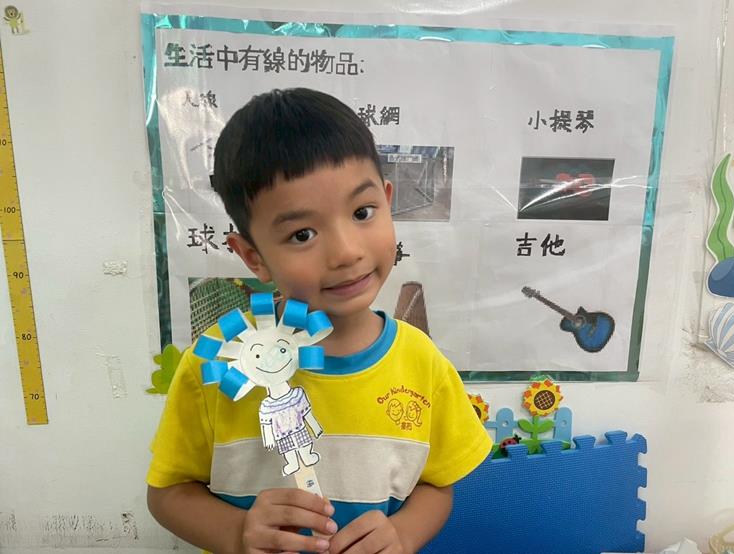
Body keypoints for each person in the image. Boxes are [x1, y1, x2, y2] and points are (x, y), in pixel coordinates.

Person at [146, 87, 492, 554]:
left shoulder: (422, 363)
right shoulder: (216, 363)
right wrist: (238, 532)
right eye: (302, 234)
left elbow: (437, 485)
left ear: (388, 201)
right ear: (253, 256)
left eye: (362, 212)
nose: (346, 252)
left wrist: (404, 533)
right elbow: (167, 493)